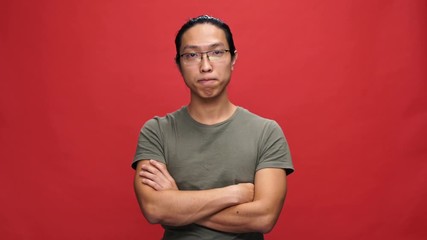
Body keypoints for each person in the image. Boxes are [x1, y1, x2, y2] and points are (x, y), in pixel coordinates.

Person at [132, 15, 294, 240]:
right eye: (191, 55)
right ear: (178, 64)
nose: (205, 66)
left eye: (217, 52)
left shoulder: (266, 132)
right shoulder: (157, 131)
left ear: (233, 59)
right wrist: (235, 194)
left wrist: (177, 201)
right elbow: (154, 209)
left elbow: (263, 218)